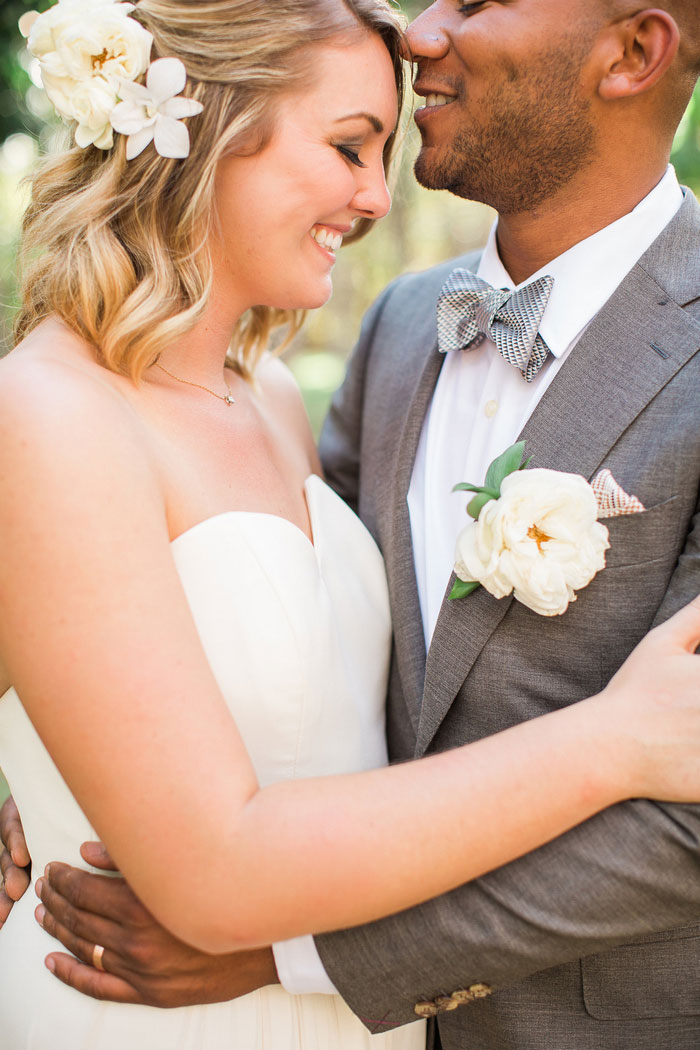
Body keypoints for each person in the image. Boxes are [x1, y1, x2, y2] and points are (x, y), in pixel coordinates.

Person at [3, 0, 700, 1048]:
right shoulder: (399, 331)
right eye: (347, 147)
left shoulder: (269, 393)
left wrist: (308, 957)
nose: (377, 194)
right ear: (203, 131)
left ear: (634, 51)